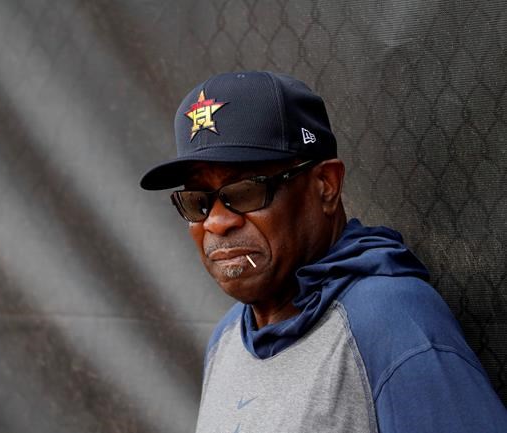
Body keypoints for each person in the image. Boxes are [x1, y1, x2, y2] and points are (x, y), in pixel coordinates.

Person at [140, 71, 507, 432]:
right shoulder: (228, 337)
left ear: (326, 186)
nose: (216, 223)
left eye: (246, 191)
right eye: (197, 202)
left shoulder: (388, 322)